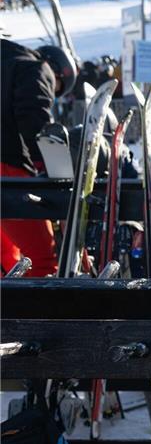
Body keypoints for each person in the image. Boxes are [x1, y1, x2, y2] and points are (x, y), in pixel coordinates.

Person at [1, 37, 77, 276]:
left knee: (7, 258)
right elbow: (34, 120)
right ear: (57, 71)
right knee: (42, 259)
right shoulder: (35, 67)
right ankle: (39, 312)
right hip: (8, 171)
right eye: (55, 89)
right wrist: (53, 168)